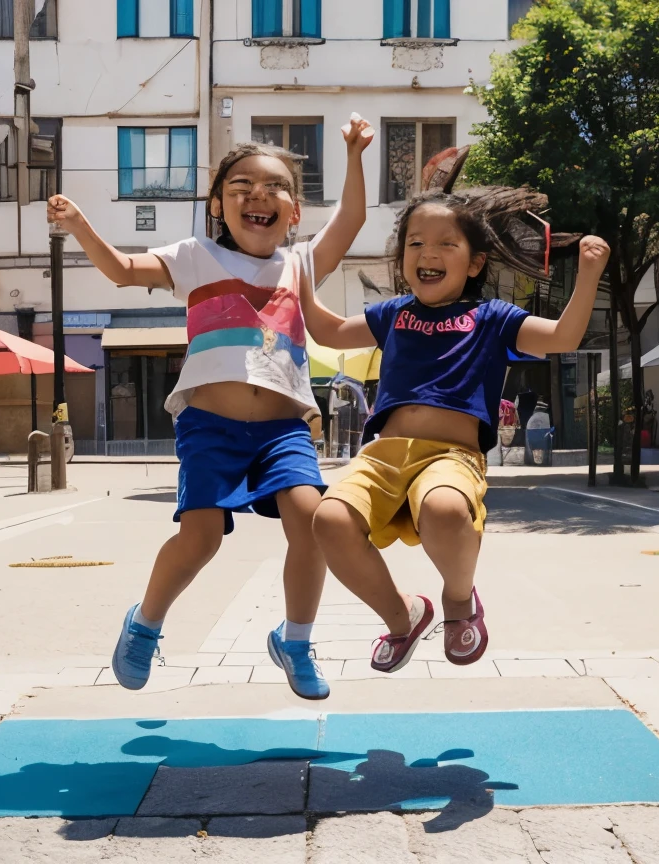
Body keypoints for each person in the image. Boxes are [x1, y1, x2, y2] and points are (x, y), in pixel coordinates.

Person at [46, 115, 377, 699]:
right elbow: (122, 271)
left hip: (282, 428)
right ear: (219, 206)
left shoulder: (299, 266)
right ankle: (145, 622)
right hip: (210, 426)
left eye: (275, 187)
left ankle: (294, 640)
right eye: (241, 186)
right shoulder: (194, 256)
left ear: (294, 211)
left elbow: (351, 220)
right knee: (201, 539)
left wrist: (352, 153)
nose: (258, 195)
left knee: (313, 523)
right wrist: (79, 224)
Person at [302, 185, 608, 672]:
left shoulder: (491, 318)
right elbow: (329, 331)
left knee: (445, 510)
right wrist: (296, 276)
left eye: (447, 243)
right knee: (329, 520)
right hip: (384, 454)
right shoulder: (393, 314)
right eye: (416, 242)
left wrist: (588, 274)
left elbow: (563, 337)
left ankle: (458, 601)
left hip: (452, 455)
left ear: (475, 263)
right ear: (403, 258)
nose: (429, 252)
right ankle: (404, 617)